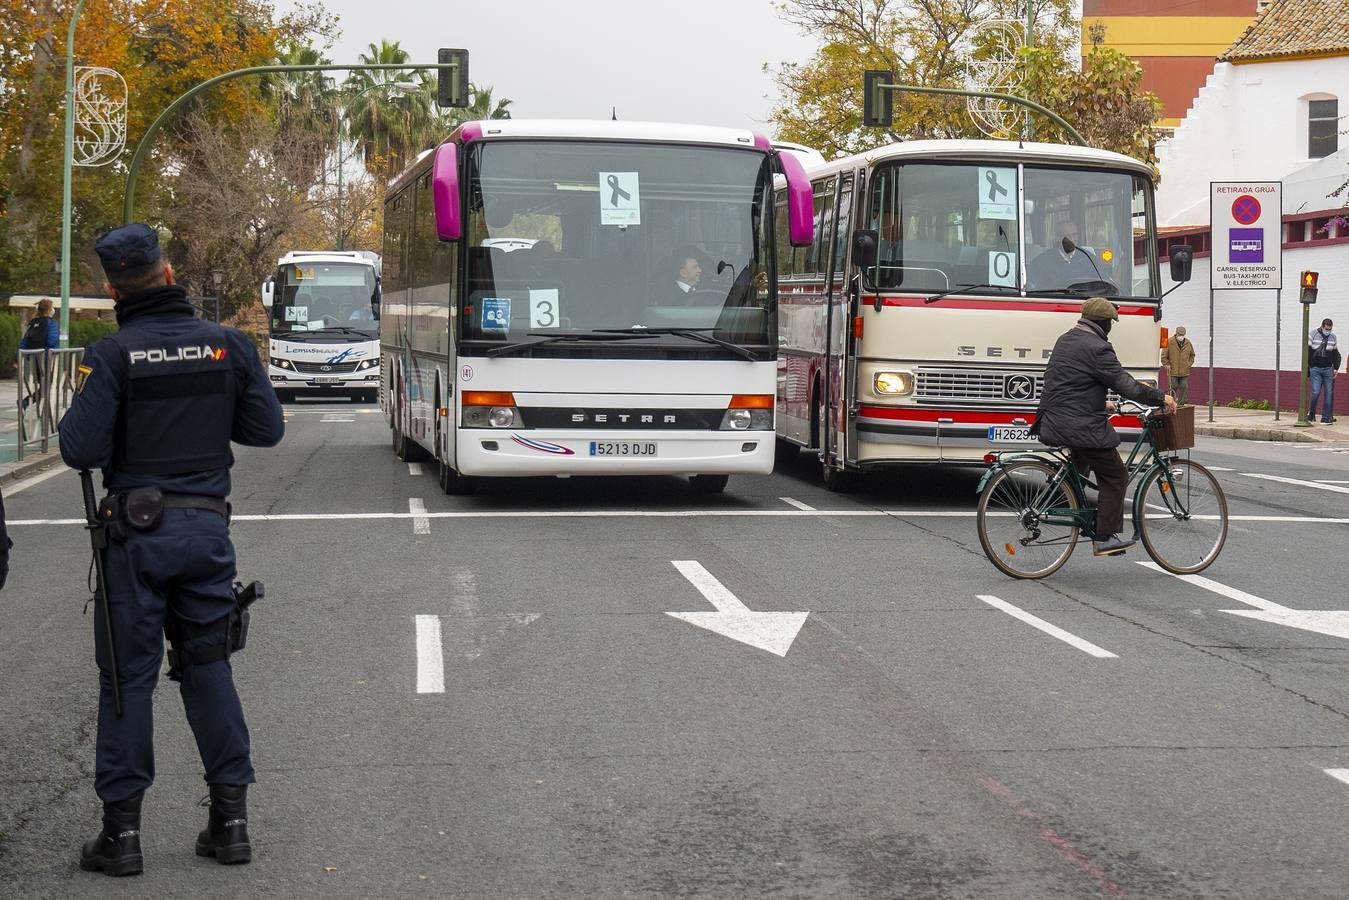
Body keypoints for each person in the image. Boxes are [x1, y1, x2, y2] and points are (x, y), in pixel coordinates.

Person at [59, 223, 284, 877]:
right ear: (166, 271)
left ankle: (121, 839)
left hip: (135, 540)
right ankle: (230, 825)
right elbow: (264, 430)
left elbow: (78, 449)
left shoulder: (114, 355)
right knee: (209, 667)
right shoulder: (228, 346)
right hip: (206, 535)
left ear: (111, 288)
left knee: (127, 683)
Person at [1030, 298, 1177, 556]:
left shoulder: (1066, 339)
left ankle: (1074, 511)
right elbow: (1125, 384)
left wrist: (1102, 403)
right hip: (1079, 425)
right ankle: (1105, 537)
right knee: (1115, 475)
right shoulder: (1098, 347)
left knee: (1081, 466)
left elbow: (1071, 381)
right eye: (1110, 322)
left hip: (1055, 419)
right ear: (1104, 322)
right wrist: (1160, 397)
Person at [1026, 220, 1103, 292]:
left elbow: (1103, 285)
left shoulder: (1089, 259)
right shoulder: (1041, 262)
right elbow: (1035, 290)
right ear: (1058, 238)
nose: (1072, 239)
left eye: (1074, 235)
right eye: (1068, 236)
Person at [1308, 318, 1340, 425]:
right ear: (1322, 326)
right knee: (1316, 392)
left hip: (1328, 369)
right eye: (1326, 329)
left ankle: (1325, 418)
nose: (1328, 331)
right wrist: (1310, 366)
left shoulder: (1333, 337)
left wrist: (1336, 368)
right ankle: (1311, 413)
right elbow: (1307, 351)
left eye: (1330, 329)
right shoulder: (1313, 334)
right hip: (1315, 368)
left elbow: (1335, 353)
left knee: (1328, 394)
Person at [1163, 325, 1195, 406]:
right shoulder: (1169, 341)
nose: (1181, 336)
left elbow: (1192, 355)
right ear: (1176, 334)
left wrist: (1189, 364)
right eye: (1179, 335)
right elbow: (1164, 356)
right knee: (1173, 387)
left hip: (1184, 371)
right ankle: (1171, 403)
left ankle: (1181, 403)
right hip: (1173, 370)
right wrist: (1166, 365)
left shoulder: (1188, 343)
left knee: (1184, 387)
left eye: (1182, 335)